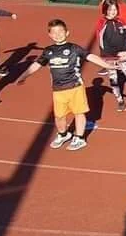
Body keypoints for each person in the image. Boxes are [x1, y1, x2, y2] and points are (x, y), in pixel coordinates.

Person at [15, 19, 117, 151]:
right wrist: (24, 76)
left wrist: (108, 66)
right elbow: (37, 64)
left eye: (60, 31)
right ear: (50, 35)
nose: (57, 35)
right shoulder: (48, 51)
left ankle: (79, 138)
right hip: (58, 90)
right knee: (59, 116)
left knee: (79, 113)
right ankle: (63, 134)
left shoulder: (74, 48)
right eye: (54, 32)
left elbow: (91, 57)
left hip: (75, 87)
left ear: (67, 32)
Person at [96, 0, 126, 76]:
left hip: (121, 29)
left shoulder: (123, 5)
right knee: (107, 48)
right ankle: (109, 65)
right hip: (110, 30)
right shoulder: (106, 6)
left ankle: (123, 66)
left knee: (121, 48)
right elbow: (101, 6)